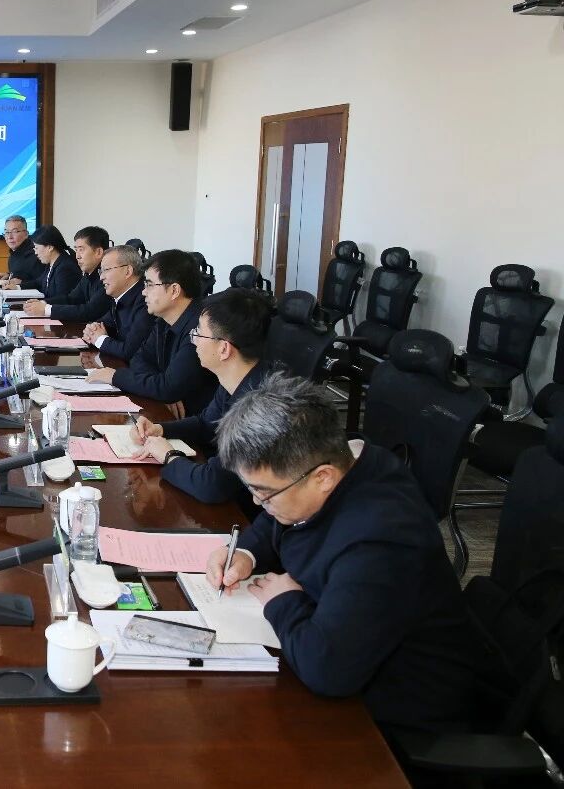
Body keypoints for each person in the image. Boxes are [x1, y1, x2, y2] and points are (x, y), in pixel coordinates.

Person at [206, 373, 490, 733]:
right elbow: (278, 517)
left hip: (399, 711)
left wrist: (283, 602)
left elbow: (328, 671)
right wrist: (246, 551)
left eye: (264, 493)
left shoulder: (380, 540)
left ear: (322, 477)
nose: (258, 502)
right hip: (345, 647)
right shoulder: (344, 459)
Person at [132, 288, 271, 504]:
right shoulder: (236, 379)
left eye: (199, 332)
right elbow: (206, 424)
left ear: (224, 349)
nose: (193, 339)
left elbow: (212, 485)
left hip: (246, 511)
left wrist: (169, 456)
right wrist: (160, 429)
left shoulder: (259, 407)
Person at [88, 248, 218, 415]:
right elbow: (139, 358)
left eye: (149, 285)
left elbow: (169, 388)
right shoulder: (164, 320)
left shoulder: (200, 328)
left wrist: (115, 376)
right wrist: (160, 388)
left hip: (199, 423)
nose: (143, 292)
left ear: (174, 290)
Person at [80, 244, 156, 365]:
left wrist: (99, 339)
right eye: (101, 271)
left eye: (106, 270)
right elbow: (103, 324)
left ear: (128, 271)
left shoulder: (146, 300)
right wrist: (92, 330)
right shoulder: (122, 296)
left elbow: (130, 351)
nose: (101, 277)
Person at [22, 226, 111, 322]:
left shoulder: (108, 277)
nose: (77, 256)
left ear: (98, 252)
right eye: (76, 250)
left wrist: (46, 309)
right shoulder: (88, 275)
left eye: (81, 250)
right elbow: (71, 299)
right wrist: (43, 303)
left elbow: (90, 311)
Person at [13, 225, 82, 300]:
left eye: (36, 248)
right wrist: (17, 287)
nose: (35, 252)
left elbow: (62, 299)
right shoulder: (51, 263)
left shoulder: (65, 268)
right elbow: (38, 282)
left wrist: (42, 303)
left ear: (50, 247)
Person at [0, 214, 44, 288]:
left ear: (26, 234)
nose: (10, 237)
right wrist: (9, 275)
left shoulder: (36, 254)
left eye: (15, 231)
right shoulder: (14, 253)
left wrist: (22, 283)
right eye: (7, 232)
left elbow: (45, 283)